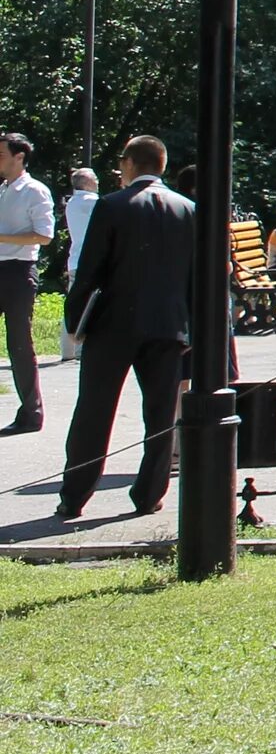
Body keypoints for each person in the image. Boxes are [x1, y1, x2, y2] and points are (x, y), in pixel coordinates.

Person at [54, 136, 193, 519]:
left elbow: (91, 270)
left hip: (114, 324)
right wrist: (190, 328)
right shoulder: (189, 209)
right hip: (168, 326)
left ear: (129, 163)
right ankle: (149, 495)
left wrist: (76, 321)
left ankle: (75, 496)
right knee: (161, 415)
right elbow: (196, 276)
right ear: (162, 164)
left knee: (94, 412)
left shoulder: (112, 205)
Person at [0, 129, 53, 433]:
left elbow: (44, 236)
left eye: (1, 154)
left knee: (19, 344)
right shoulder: (4, 189)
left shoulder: (34, 190)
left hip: (19, 272)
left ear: (19, 157)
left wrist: (2, 238)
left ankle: (31, 415)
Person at [59, 168, 98, 362]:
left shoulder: (72, 202)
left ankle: (67, 350)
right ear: (87, 182)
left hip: (75, 259)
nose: (97, 182)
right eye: (95, 179)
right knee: (89, 304)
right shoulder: (93, 202)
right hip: (90, 260)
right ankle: (82, 349)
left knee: (72, 303)